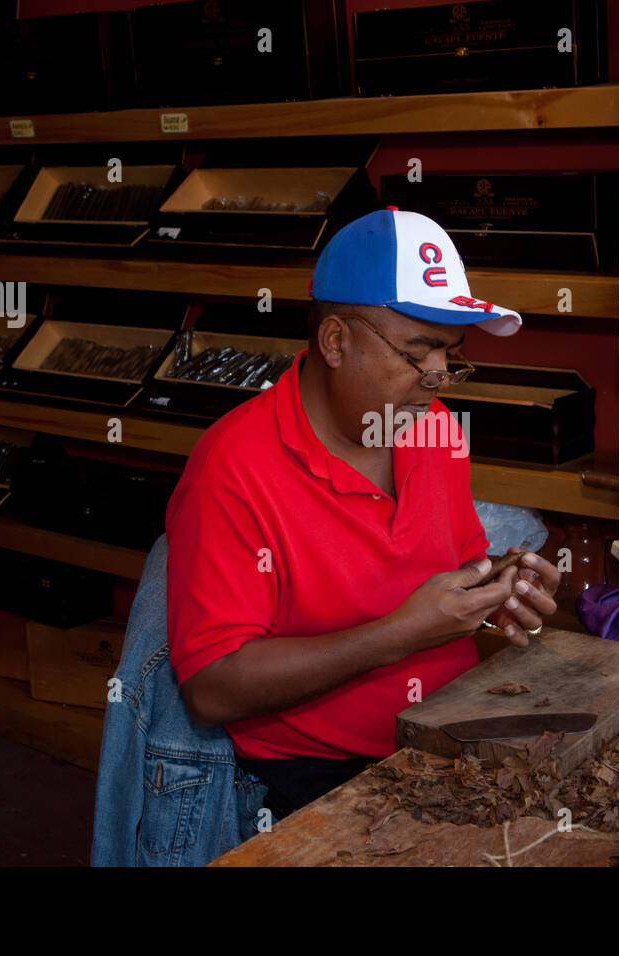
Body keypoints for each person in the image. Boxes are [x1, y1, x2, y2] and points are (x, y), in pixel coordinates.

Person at [166, 208, 562, 818]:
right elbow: (212, 689)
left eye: (450, 355)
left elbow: (451, 576)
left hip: (448, 733)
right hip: (315, 776)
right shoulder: (231, 470)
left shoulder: (433, 432)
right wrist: (397, 636)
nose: (438, 380)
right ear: (334, 341)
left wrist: (496, 596)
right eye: (417, 352)